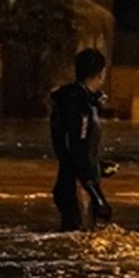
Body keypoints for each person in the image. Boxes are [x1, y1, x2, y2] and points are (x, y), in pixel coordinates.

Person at [49, 48, 114, 231]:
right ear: (101, 74)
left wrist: (98, 165)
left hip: (73, 183)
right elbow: (77, 149)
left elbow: (74, 146)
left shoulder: (71, 101)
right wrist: (97, 196)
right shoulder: (80, 105)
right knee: (81, 244)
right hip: (79, 188)